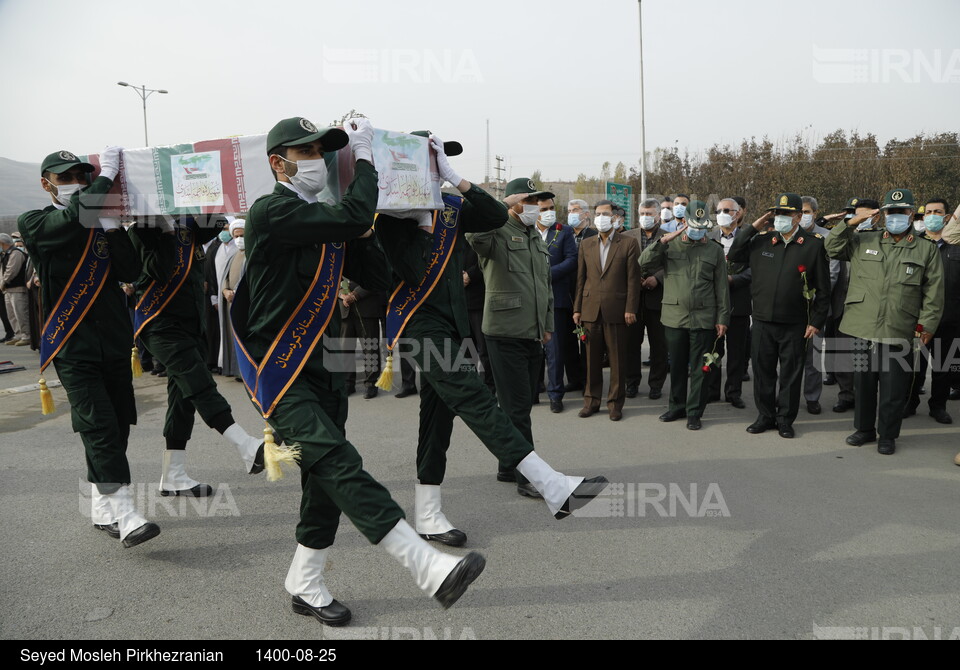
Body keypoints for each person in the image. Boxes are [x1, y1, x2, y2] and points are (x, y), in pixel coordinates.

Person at [234, 116, 486, 624]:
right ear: (277, 161)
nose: (317, 161)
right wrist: (366, 161)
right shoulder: (272, 212)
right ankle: (423, 562)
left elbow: (379, 275)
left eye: (323, 152)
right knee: (339, 461)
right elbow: (348, 218)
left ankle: (305, 581)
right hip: (280, 369)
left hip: (324, 366)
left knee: (323, 478)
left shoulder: (330, 218)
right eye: (306, 152)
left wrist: (387, 224)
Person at [377, 134, 608, 545]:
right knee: (474, 397)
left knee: (437, 420)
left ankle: (428, 514)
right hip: (418, 323)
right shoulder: (391, 215)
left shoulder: (450, 209)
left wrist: (458, 181)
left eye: (439, 163)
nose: (435, 168)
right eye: (429, 162)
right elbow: (410, 272)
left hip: (453, 324)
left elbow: (490, 214)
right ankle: (550, 484)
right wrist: (416, 220)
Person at [18, 147, 159, 548]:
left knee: (117, 424)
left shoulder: (99, 223)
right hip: (72, 345)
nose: (76, 184)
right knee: (98, 426)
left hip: (113, 342)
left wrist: (114, 229)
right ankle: (127, 513)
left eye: (83, 176)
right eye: (66, 179)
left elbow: (132, 271)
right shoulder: (37, 221)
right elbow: (70, 218)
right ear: (47, 185)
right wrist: (103, 181)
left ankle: (101, 506)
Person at [128, 215, 266, 496]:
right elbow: (160, 270)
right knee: (199, 384)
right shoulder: (141, 229)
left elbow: (216, 223)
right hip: (160, 324)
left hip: (191, 325)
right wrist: (165, 231)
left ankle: (173, 475)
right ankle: (245, 445)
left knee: (182, 401)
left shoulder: (186, 224)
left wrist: (189, 207)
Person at [824, 188, 944, 455]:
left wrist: (926, 326)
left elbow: (934, 292)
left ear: (911, 214)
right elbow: (831, 247)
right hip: (861, 326)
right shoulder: (865, 240)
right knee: (863, 384)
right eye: (891, 212)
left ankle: (887, 435)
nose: (896, 216)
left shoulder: (925, 249)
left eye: (901, 212)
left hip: (899, 326)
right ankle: (864, 429)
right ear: (883, 214)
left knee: (893, 388)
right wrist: (850, 221)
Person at [467, 177, 555, 498]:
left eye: (539, 202)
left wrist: (547, 325)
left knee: (520, 405)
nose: (536, 208)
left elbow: (545, 287)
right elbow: (473, 234)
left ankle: (508, 464)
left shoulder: (536, 237)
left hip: (531, 332)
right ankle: (527, 477)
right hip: (504, 332)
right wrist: (500, 207)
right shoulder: (497, 230)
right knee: (517, 408)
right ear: (514, 202)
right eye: (529, 201)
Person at [727, 193, 831, 439]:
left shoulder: (813, 244)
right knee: (763, 373)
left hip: (795, 324)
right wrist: (754, 226)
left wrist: (816, 322)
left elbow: (824, 290)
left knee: (790, 375)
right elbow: (734, 254)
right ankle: (765, 416)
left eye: (787, 213)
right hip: (762, 321)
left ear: (798, 216)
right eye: (778, 213)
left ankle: (785, 419)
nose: (781, 218)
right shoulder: (763, 240)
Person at [639, 201, 730, 430]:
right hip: (674, 316)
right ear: (684, 222)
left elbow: (722, 288)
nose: (697, 230)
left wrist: (722, 318)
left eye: (702, 226)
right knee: (677, 365)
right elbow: (642, 263)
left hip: (704, 317)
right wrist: (662, 242)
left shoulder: (714, 249)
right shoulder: (670, 245)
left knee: (700, 368)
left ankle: (694, 412)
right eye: (693, 224)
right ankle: (676, 406)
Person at [573, 199, 640, 421]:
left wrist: (630, 308)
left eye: (606, 214)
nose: (601, 218)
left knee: (617, 360)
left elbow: (633, 280)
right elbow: (580, 279)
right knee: (591, 361)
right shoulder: (586, 244)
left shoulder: (628, 243)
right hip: (590, 309)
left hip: (617, 309)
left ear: (615, 218)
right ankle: (591, 401)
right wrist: (577, 309)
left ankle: (615, 404)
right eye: (598, 214)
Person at [902, 197, 957, 425]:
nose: (932, 216)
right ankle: (910, 402)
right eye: (929, 212)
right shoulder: (914, 243)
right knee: (915, 365)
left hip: (950, 317)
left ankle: (938, 406)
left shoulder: (956, 245)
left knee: (944, 366)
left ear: (946, 217)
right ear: (923, 217)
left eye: (938, 212)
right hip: (918, 317)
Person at [534, 192, 577, 413]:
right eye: (543, 209)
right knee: (531, 350)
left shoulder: (564, 232)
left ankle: (555, 394)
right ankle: (533, 390)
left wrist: (548, 274)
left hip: (556, 299)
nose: (548, 213)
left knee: (555, 350)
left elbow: (572, 260)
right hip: (530, 299)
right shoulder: (525, 231)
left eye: (551, 208)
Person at [707, 197, 752, 408]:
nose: (722, 213)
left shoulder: (748, 238)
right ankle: (712, 390)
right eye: (719, 210)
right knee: (714, 349)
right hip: (713, 304)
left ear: (737, 213)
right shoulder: (709, 236)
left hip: (738, 302)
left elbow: (755, 269)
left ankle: (733, 392)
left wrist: (734, 279)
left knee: (736, 352)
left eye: (727, 210)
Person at [798, 196, 840, 415]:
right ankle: (786, 394)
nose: (803, 216)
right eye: (799, 211)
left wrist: (812, 298)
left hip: (815, 307)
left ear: (815, 213)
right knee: (788, 356)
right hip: (790, 308)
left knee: (812, 357)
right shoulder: (787, 235)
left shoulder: (827, 237)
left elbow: (831, 273)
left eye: (806, 212)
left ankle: (812, 397)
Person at [623, 198, 667, 400]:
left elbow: (674, 264)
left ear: (658, 215)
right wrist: (633, 278)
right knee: (631, 345)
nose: (645, 217)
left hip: (659, 299)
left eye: (649, 214)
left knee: (659, 346)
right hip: (633, 300)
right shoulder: (626, 236)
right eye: (642, 213)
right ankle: (631, 383)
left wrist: (656, 278)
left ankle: (656, 385)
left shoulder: (668, 237)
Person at [338, 279, 386, 399]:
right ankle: (347, 383)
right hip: (344, 309)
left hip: (367, 308)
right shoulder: (337, 259)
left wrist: (355, 295)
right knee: (345, 349)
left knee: (370, 348)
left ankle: (371, 384)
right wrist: (340, 294)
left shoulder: (370, 259)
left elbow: (375, 278)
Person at [216, 220, 243, 377]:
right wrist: (225, 290)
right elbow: (224, 278)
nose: (239, 239)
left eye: (242, 235)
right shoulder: (232, 255)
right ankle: (233, 370)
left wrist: (236, 291)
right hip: (229, 302)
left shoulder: (253, 253)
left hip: (243, 303)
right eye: (236, 236)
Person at [0, 233, 31, 346]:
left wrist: (3, 282)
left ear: (3, 243)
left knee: (20, 313)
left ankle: (26, 335)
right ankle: (18, 334)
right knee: (11, 315)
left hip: (17, 288)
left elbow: (11, 271)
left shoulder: (16, 253)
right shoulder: (5, 254)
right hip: (8, 289)